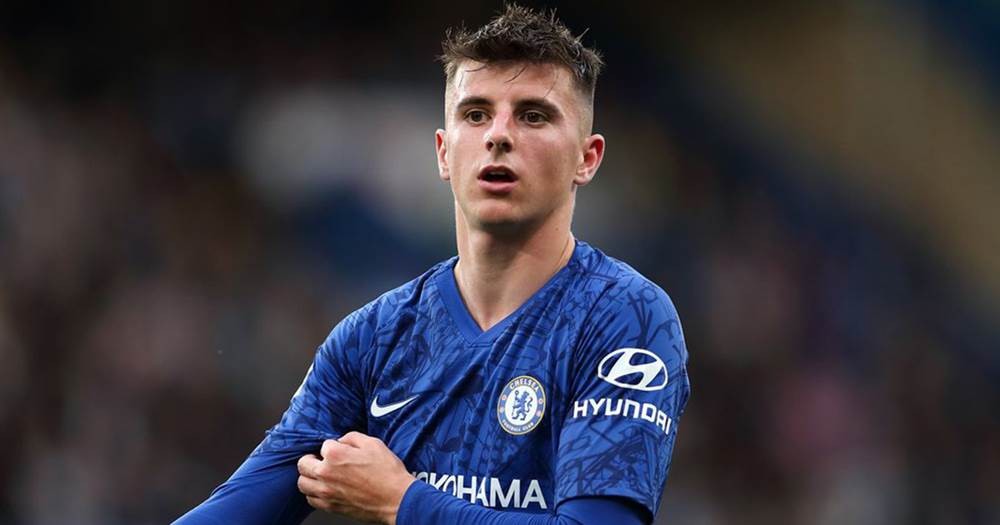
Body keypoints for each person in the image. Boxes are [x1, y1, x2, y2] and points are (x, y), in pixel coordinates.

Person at [174, 4, 690, 525]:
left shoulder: (625, 317)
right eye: (476, 114)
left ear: (587, 157)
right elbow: (237, 511)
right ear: (444, 153)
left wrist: (402, 502)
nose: (498, 135)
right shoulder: (375, 339)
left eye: (533, 115)